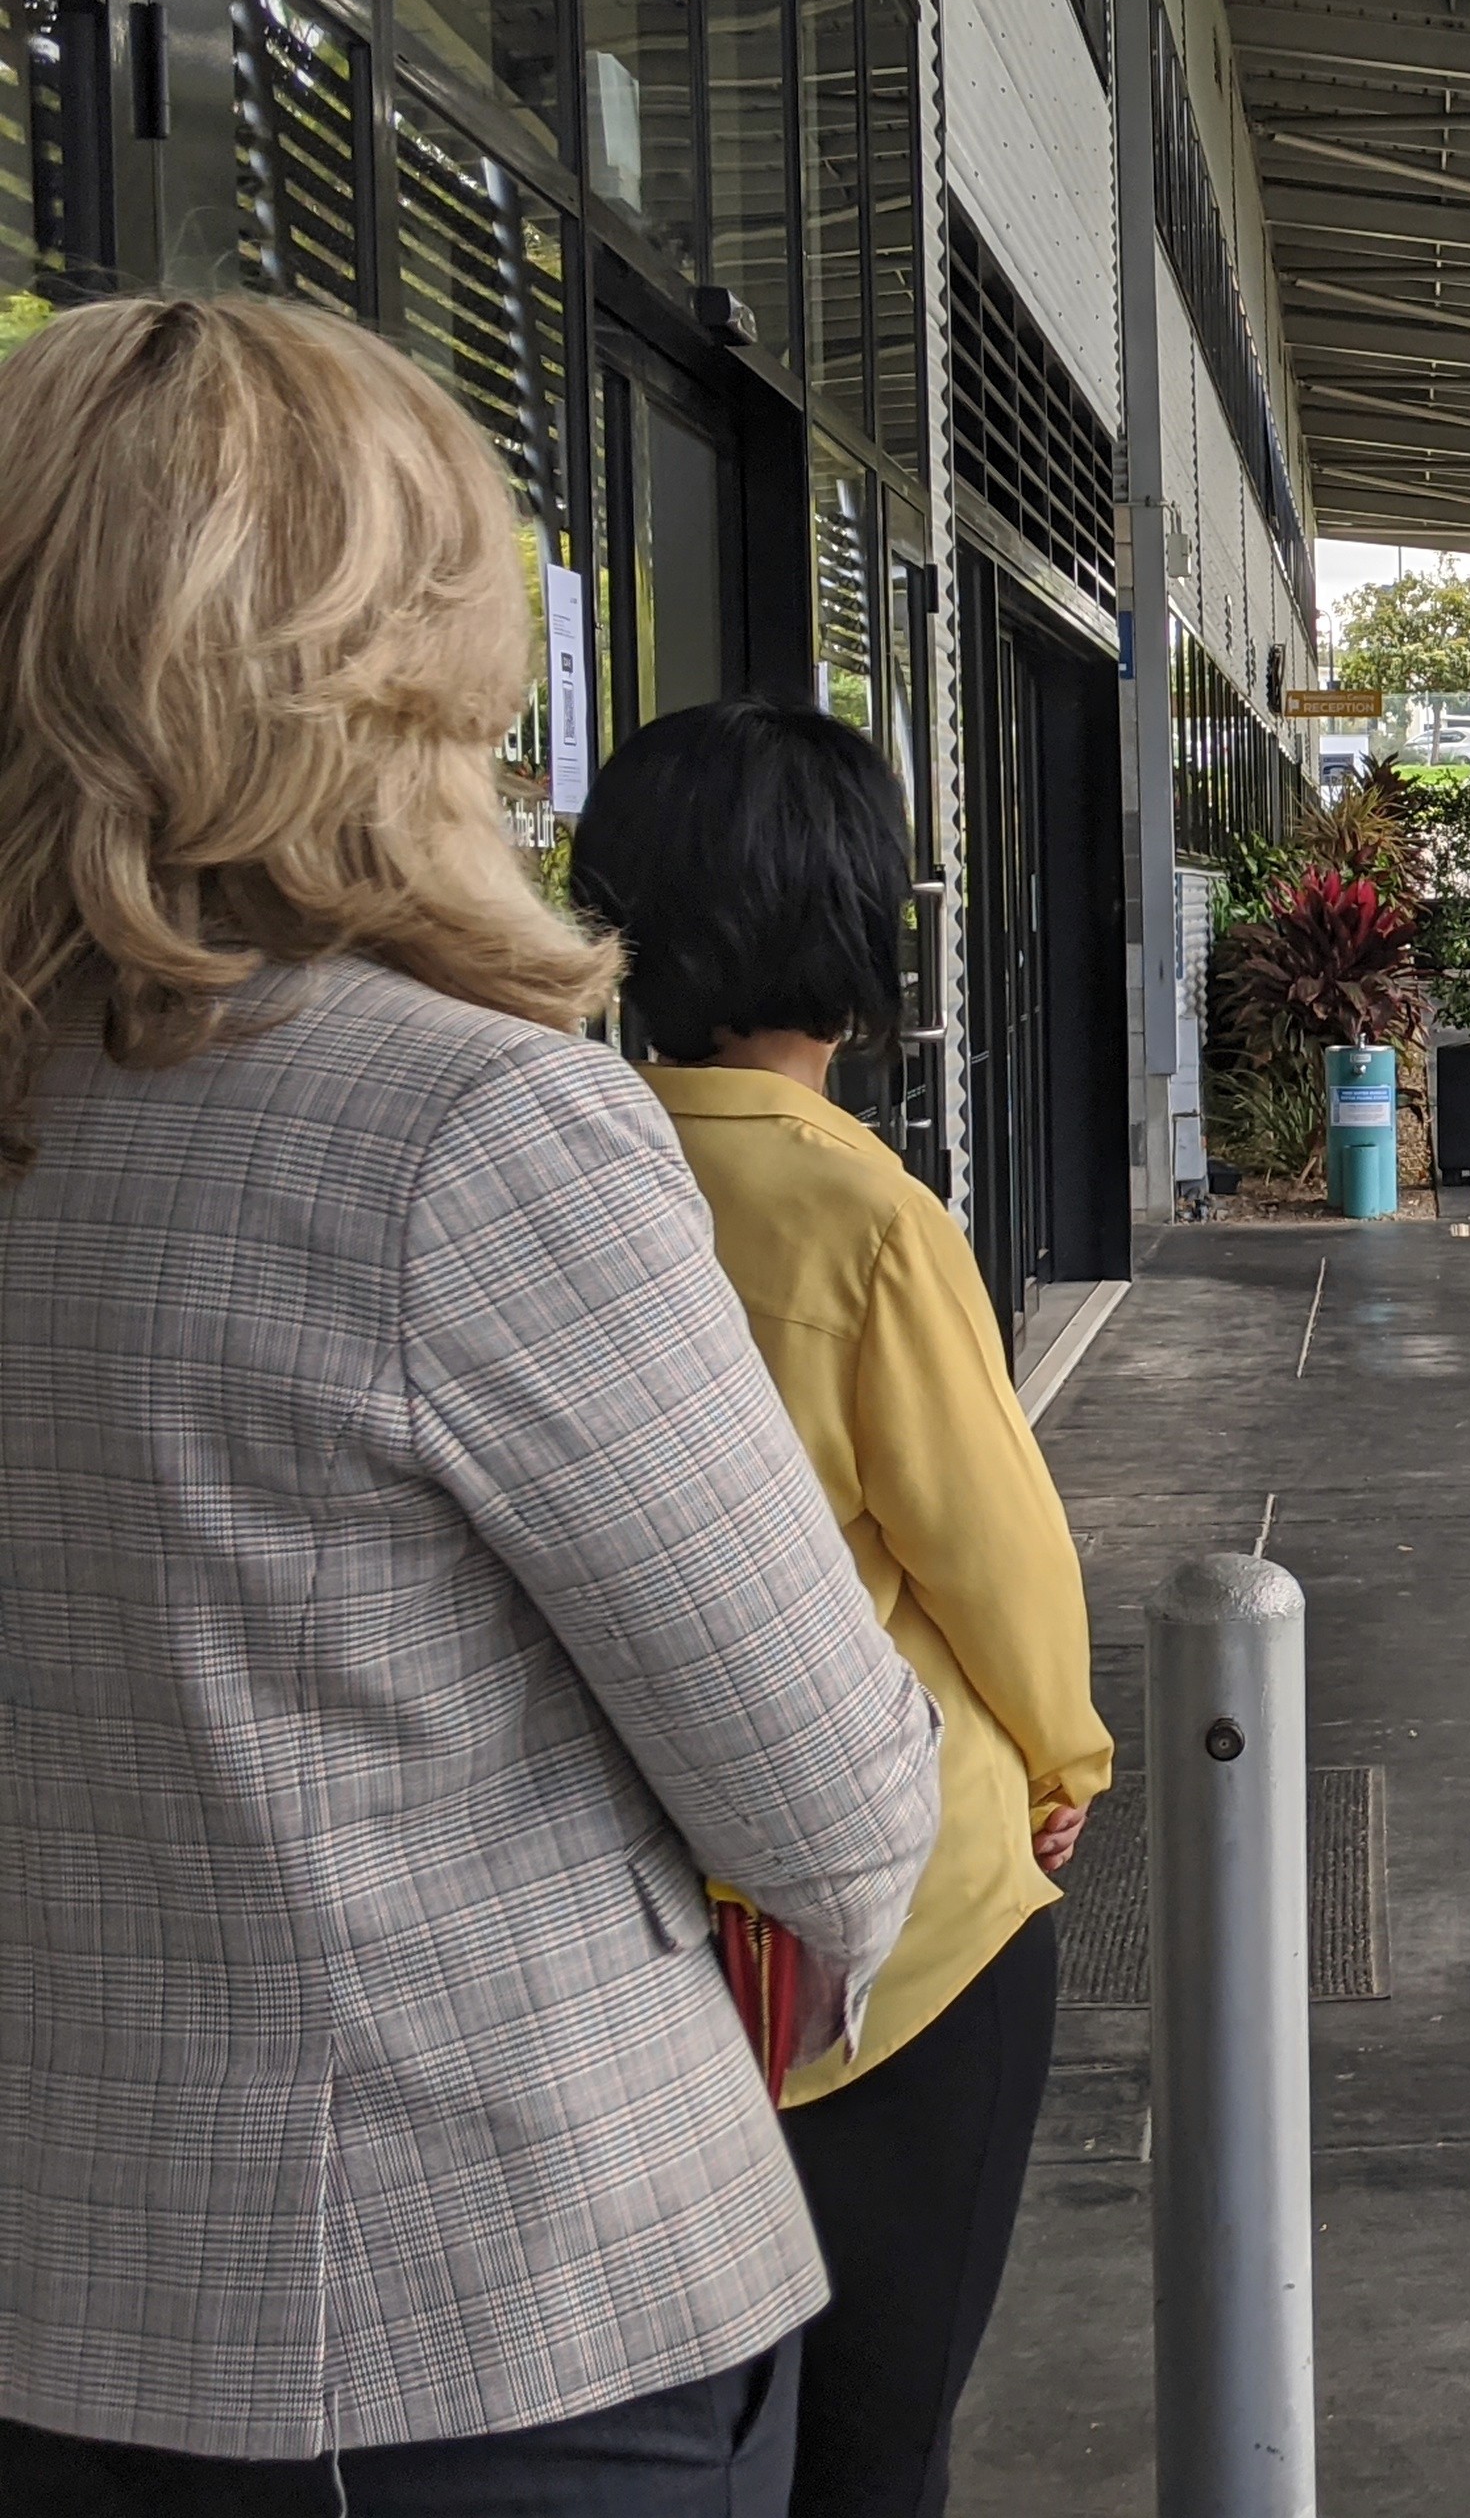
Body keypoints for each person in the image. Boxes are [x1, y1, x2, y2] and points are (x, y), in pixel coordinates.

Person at [0, 295, 942, 2512]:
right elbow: (826, 1793)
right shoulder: (471, 1125)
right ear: (401, 668)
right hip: (482, 2300)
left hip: (67, 2286)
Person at [571, 697, 1116, 2518]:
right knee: (878, 2437)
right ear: (856, 923)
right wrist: (1064, 1756)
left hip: (636, 1914)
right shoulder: (864, 1215)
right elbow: (990, 1551)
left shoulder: (555, 1167)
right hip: (893, 1925)